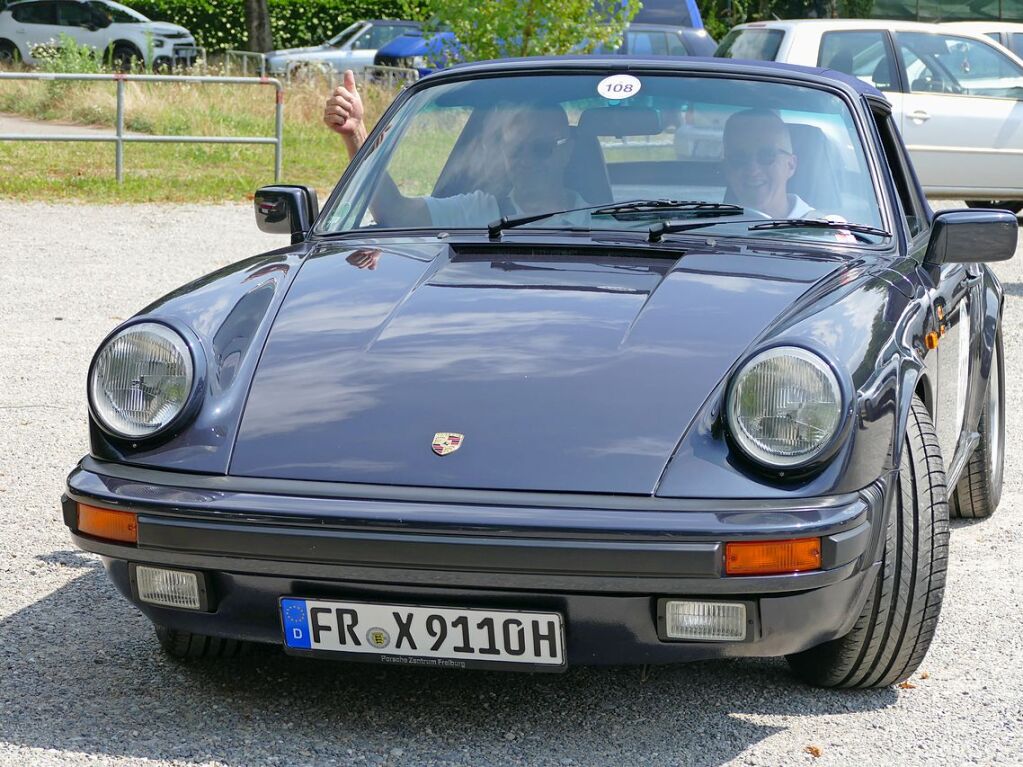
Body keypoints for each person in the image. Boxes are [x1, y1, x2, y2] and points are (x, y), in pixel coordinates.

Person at [323, 70, 589, 228]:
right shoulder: (479, 212)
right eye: (516, 149)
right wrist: (356, 134)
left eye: (541, 149)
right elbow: (394, 212)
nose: (526, 160)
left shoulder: (605, 220)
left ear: (566, 152)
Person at [722, 109, 814, 220]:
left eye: (767, 156)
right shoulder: (707, 230)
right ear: (726, 168)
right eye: (738, 158)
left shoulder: (823, 231)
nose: (753, 170)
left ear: (790, 165)